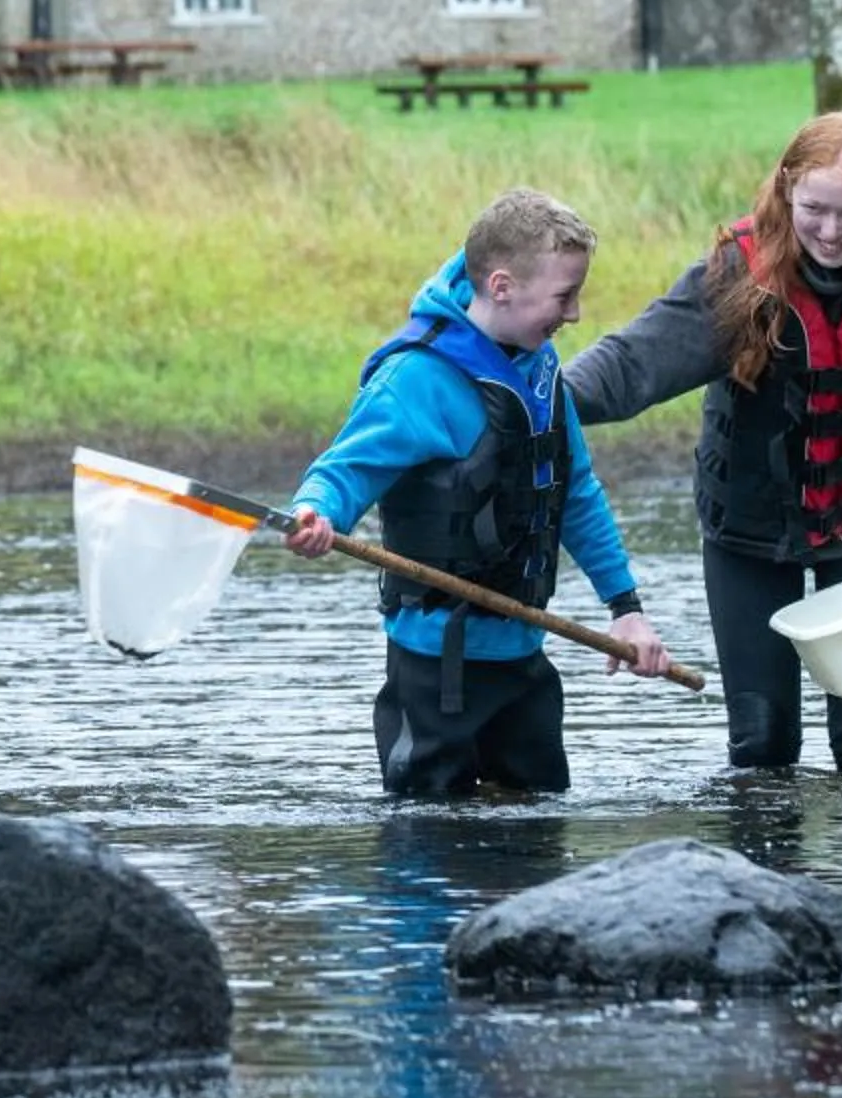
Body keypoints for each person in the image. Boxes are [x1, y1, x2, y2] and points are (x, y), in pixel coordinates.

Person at [564, 111, 842, 775]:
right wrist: (527, 398)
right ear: (787, 188)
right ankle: (763, 877)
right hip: (747, 531)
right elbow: (633, 364)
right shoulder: (740, 274)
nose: (830, 231)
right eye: (815, 208)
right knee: (761, 746)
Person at [284, 187, 676, 796]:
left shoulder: (542, 371)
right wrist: (316, 513)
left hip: (524, 661)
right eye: (564, 296)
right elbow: (344, 470)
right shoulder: (416, 378)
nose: (574, 315)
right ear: (501, 287)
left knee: (539, 822)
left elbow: (576, 493)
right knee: (431, 840)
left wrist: (626, 610)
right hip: (437, 668)